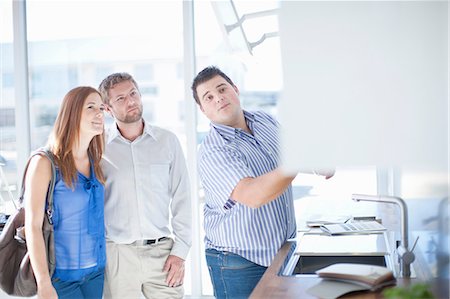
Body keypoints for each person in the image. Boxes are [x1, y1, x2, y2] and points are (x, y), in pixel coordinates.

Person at [192, 66, 333, 298]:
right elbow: (253, 195)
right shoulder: (213, 151)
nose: (218, 98)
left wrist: (317, 164)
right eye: (209, 97)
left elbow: (290, 156)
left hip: (281, 251)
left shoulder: (264, 120)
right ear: (203, 109)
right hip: (239, 262)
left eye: (222, 89)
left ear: (235, 90)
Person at [98, 72, 191, 299]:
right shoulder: (99, 148)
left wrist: (180, 253)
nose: (130, 101)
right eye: (120, 98)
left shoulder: (167, 141)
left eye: (133, 93)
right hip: (118, 255)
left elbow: (183, 198)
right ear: (108, 109)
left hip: (162, 254)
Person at [25, 86, 106, 299]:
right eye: (91, 107)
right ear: (72, 113)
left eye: (101, 107)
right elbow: (32, 226)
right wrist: (43, 281)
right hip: (61, 278)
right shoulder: (44, 162)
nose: (99, 113)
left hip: (96, 272)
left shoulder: (96, 161)